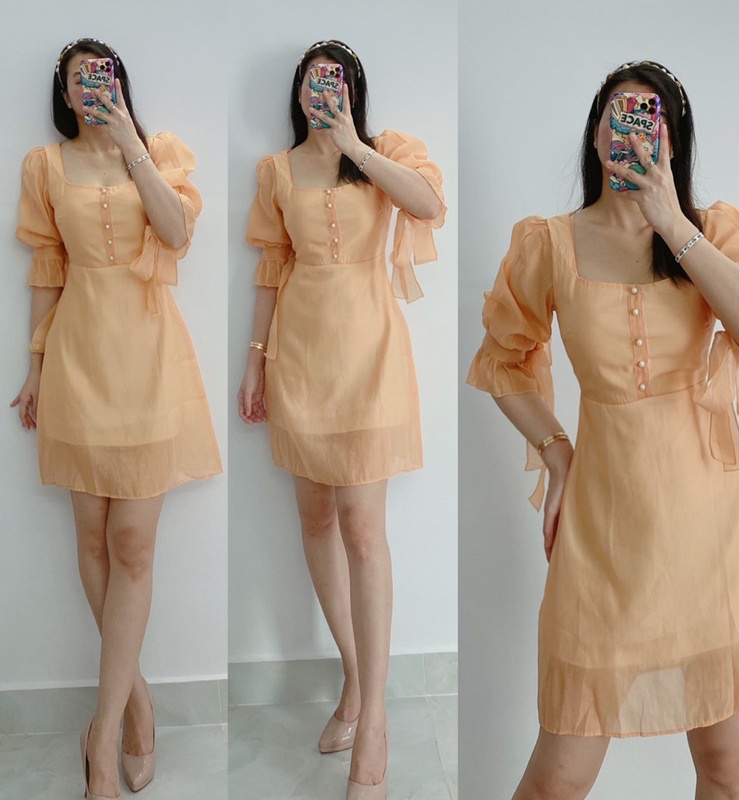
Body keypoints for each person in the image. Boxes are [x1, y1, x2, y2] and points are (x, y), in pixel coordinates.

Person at [467, 60, 739, 800]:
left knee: (728, 772)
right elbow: (501, 361)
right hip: (605, 538)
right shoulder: (550, 243)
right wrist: (557, 454)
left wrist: (672, 222)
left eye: (652, 118)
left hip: (715, 536)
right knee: (556, 781)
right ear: (595, 133)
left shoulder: (714, 233)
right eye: (618, 113)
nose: (633, 129)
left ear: (674, 141)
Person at [11, 38, 222, 800]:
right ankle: (136, 705)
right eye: (79, 79)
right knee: (94, 542)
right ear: (64, 93)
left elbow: (177, 233)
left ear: (120, 84)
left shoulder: (158, 152)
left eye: (101, 75)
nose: (90, 87)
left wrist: (130, 139)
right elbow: (47, 268)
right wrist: (35, 366)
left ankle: (102, 738)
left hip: (149, 361)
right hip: (78, 361)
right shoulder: (44, 165)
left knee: (133, 545)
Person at [237, 39, 445, 799]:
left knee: (363, 527)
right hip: (300, 357)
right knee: (316, 519)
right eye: (312, 80)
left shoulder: (385, 153)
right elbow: (271, 267)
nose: (321, 90)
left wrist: (354, 143)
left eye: (336, 80)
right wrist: (255, 360)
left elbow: (429, 204)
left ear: (355, 89)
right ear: (297, 92)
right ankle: (356, 678)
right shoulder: (276, 171)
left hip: (370, 356)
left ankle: (376, 722)